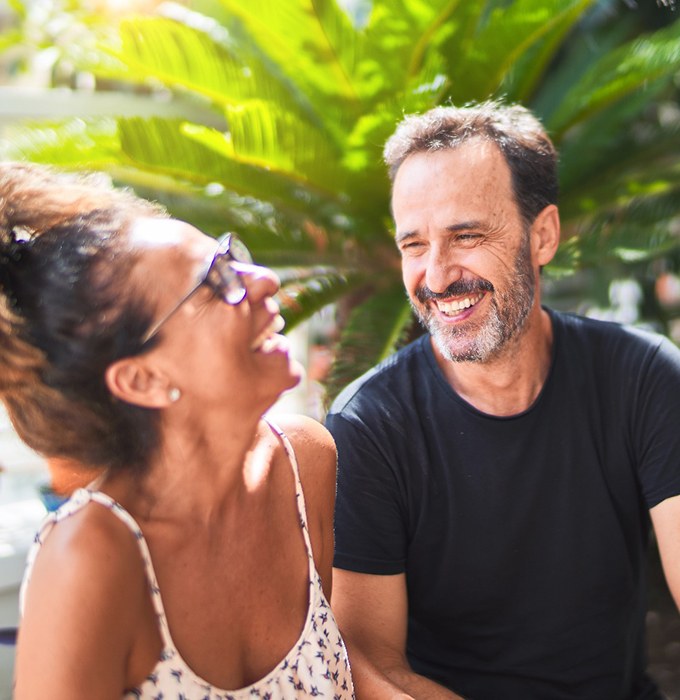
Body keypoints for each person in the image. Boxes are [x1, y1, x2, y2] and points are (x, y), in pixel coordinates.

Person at [326, 101, 680, 700]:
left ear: (543, 235)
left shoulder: (643, 376)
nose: (436, 278)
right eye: (414, 245)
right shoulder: (368, 424)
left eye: (466, 236)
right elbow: (368, 662)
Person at [0, 162, 354, 699]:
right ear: (143, 378)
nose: (266, 281)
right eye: (215, 282)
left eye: (232, 257)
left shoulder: (306, 464)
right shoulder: (91, 557)